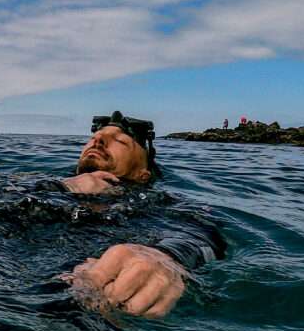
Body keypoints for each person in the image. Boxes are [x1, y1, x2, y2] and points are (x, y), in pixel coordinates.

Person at [60, 111, 225, 318]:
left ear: (142, 174)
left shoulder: (159, 203)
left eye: (119, 141)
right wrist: (57, 188)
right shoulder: (42, 185)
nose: (99, 140)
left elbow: (203, 233)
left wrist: (166, 256)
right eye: (94, 138)